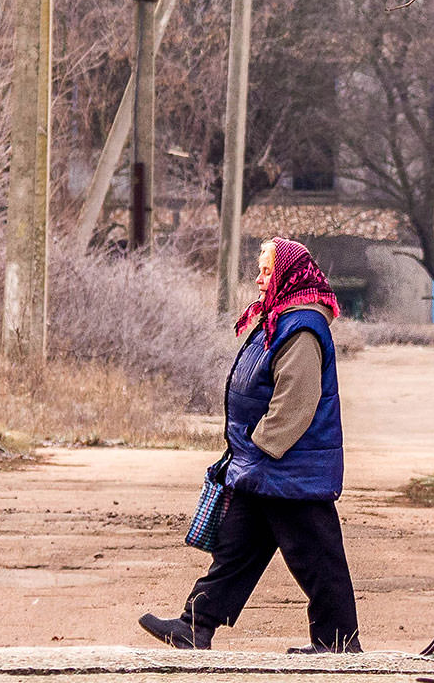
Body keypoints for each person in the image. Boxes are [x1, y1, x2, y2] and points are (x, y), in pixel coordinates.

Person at [139, 237, 361, 653]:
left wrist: (261, 446)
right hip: (262, 465)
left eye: (266, 270)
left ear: (288, 275)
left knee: (318, 559)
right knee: (235, 550)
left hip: (290, 470)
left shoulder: (302, 327)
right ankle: (195, 624)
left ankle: (339, 643)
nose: (259, 279)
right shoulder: (278, 319)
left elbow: (297, 399)